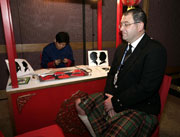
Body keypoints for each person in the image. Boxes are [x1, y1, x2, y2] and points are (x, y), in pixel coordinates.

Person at [75, 8, 167, 137]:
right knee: (79, 104)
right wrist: (109, 97)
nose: (121, 28)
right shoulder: (121, 48)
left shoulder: (155, 50)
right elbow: (112, 74)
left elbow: (146, 88)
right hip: (116, 96)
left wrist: (115, 103)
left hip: (141, 107)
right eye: (120, 24)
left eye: (126, 24)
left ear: (140, 25)